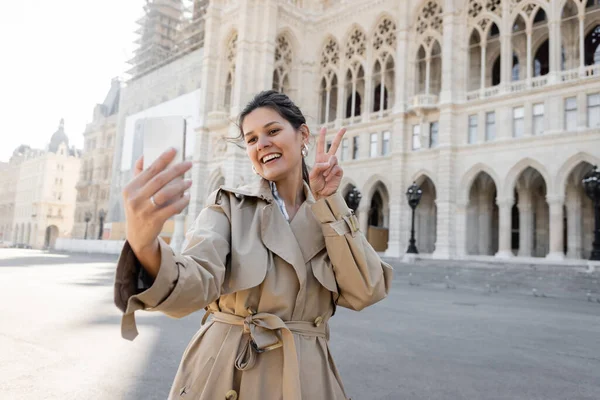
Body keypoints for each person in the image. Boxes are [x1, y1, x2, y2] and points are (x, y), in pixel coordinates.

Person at [114, 90, 393, 400]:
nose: (262, 144)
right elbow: (197, 278)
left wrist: (330, 202)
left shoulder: (327, 211)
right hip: (226, 373)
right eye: (251, 139)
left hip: (306, 377)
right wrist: (144, 244)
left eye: (273, 131)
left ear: (303, 135)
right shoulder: (229, 205)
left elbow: (367, 289)